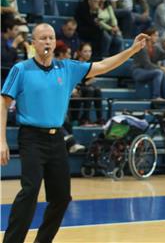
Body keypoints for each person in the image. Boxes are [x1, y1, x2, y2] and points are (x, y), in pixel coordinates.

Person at [0, 24, 148, 243]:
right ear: (33, 43)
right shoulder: (21, 69)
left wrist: (132, 50)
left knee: (61, 197)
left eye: (51, 37)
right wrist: (1, 140)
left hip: (57, 138)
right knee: (30, 192)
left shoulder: (67, 68)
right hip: (31, 138)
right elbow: (3, 104)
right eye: (42, 38)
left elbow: (103, 65)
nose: (48, 42)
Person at [131, 28, 165, 100]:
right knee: (159, 72)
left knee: (162, 73)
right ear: (149, 37)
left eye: (157, 36)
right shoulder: (142, 47)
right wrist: (161, 68)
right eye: (155, 35)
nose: (157, 38)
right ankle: (156, 97)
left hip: (148, 71)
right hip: (138, 71)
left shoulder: (155, 47)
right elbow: (147, 65)